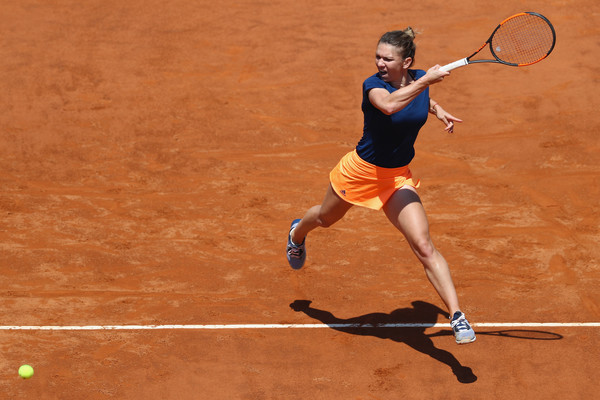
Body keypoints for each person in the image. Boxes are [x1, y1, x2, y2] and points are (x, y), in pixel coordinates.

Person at [286, 28, 476, 344]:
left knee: (424, 245)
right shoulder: (374, 85)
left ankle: (458, 317)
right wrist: (425, 82)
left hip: (396, 178)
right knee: (324, 219)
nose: (380, 63)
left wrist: (437, 109)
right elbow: (389, 106)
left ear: (407, 62)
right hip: (359, 173)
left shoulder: (415, 79)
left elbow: (420, 96)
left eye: (388, 58)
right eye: (378, 56)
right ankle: (296, 234)